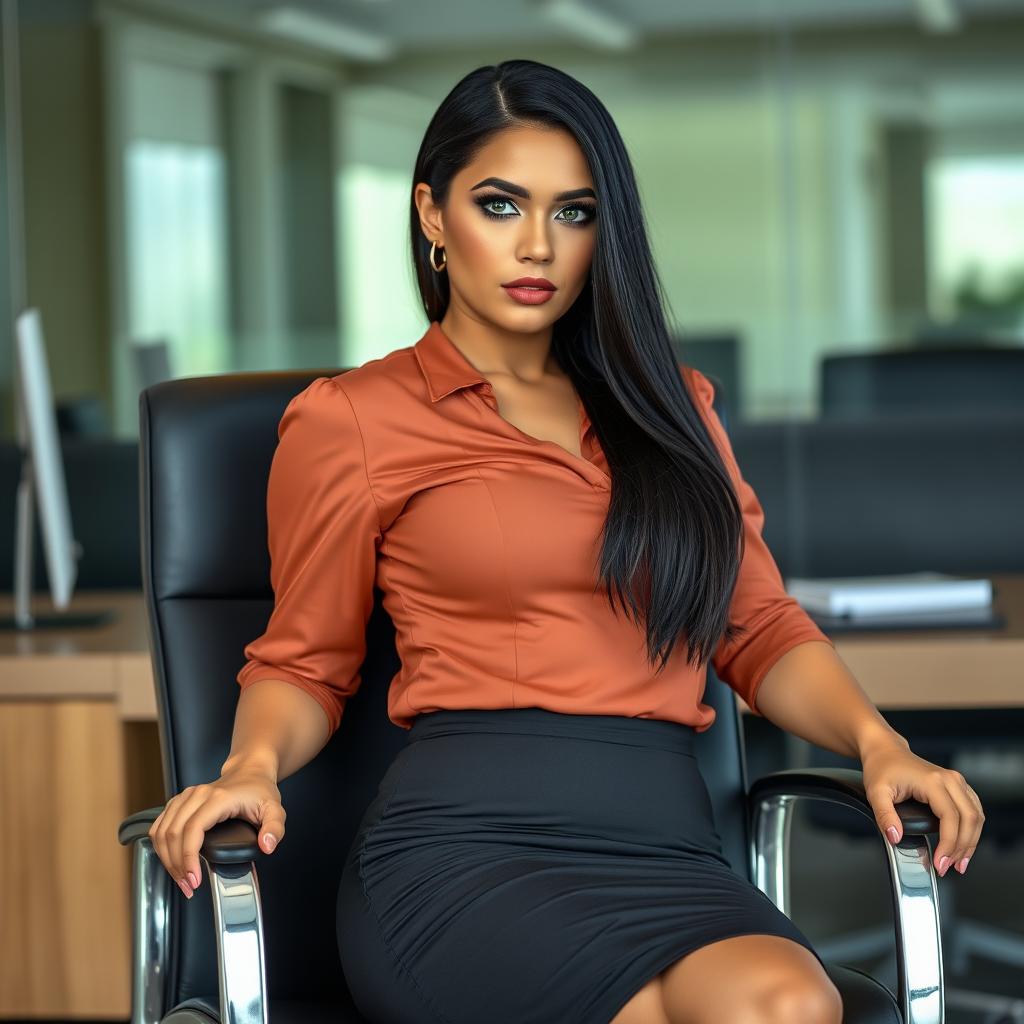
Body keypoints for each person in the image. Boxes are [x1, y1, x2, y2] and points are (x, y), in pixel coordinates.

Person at [147, 59, 985, 1024]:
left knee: (790, 1002)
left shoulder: (673, 407)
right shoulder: (356, 419)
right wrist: (250, 767)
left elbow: (756, 627)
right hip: (463, 856)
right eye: (500, 204)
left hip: (666, 851)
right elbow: (306, 659)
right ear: (432, 214)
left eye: (574, 213)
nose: (537, 244)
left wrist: (881, 745)